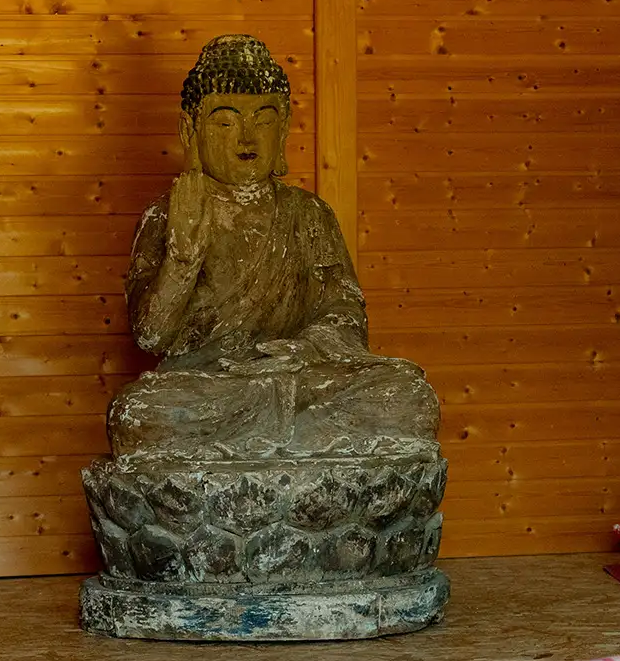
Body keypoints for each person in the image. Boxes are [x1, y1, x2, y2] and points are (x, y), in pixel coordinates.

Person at [106, 35, 440, 463]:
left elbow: (345, 312)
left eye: (262, 120)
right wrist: (182, 259)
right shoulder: (167, 215)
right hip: (213, 386)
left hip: (301, 379)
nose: (246, 136)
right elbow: (151, 336)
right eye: (225, 123)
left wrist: (305, 349)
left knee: (407, 395)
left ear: (282, 127)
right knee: (137, 413)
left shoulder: (308, 213)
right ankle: (283, 439)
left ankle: (278, 436)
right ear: (190, 130)